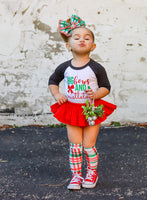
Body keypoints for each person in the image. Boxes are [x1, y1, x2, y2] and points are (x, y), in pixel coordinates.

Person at [48, 15, 117, 190]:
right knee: (75, 146)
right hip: (71, 110)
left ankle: (92, 172)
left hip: (91, 110)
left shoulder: (96, 68)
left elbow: (106, 87)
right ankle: (76, 175)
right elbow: (53, 81)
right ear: (67, 45)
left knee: (88, 145)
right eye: (76, 38)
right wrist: (57, 95)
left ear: (92, 46)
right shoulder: (65, 67)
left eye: (86, 38)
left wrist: (95, 94)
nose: (81, 40)